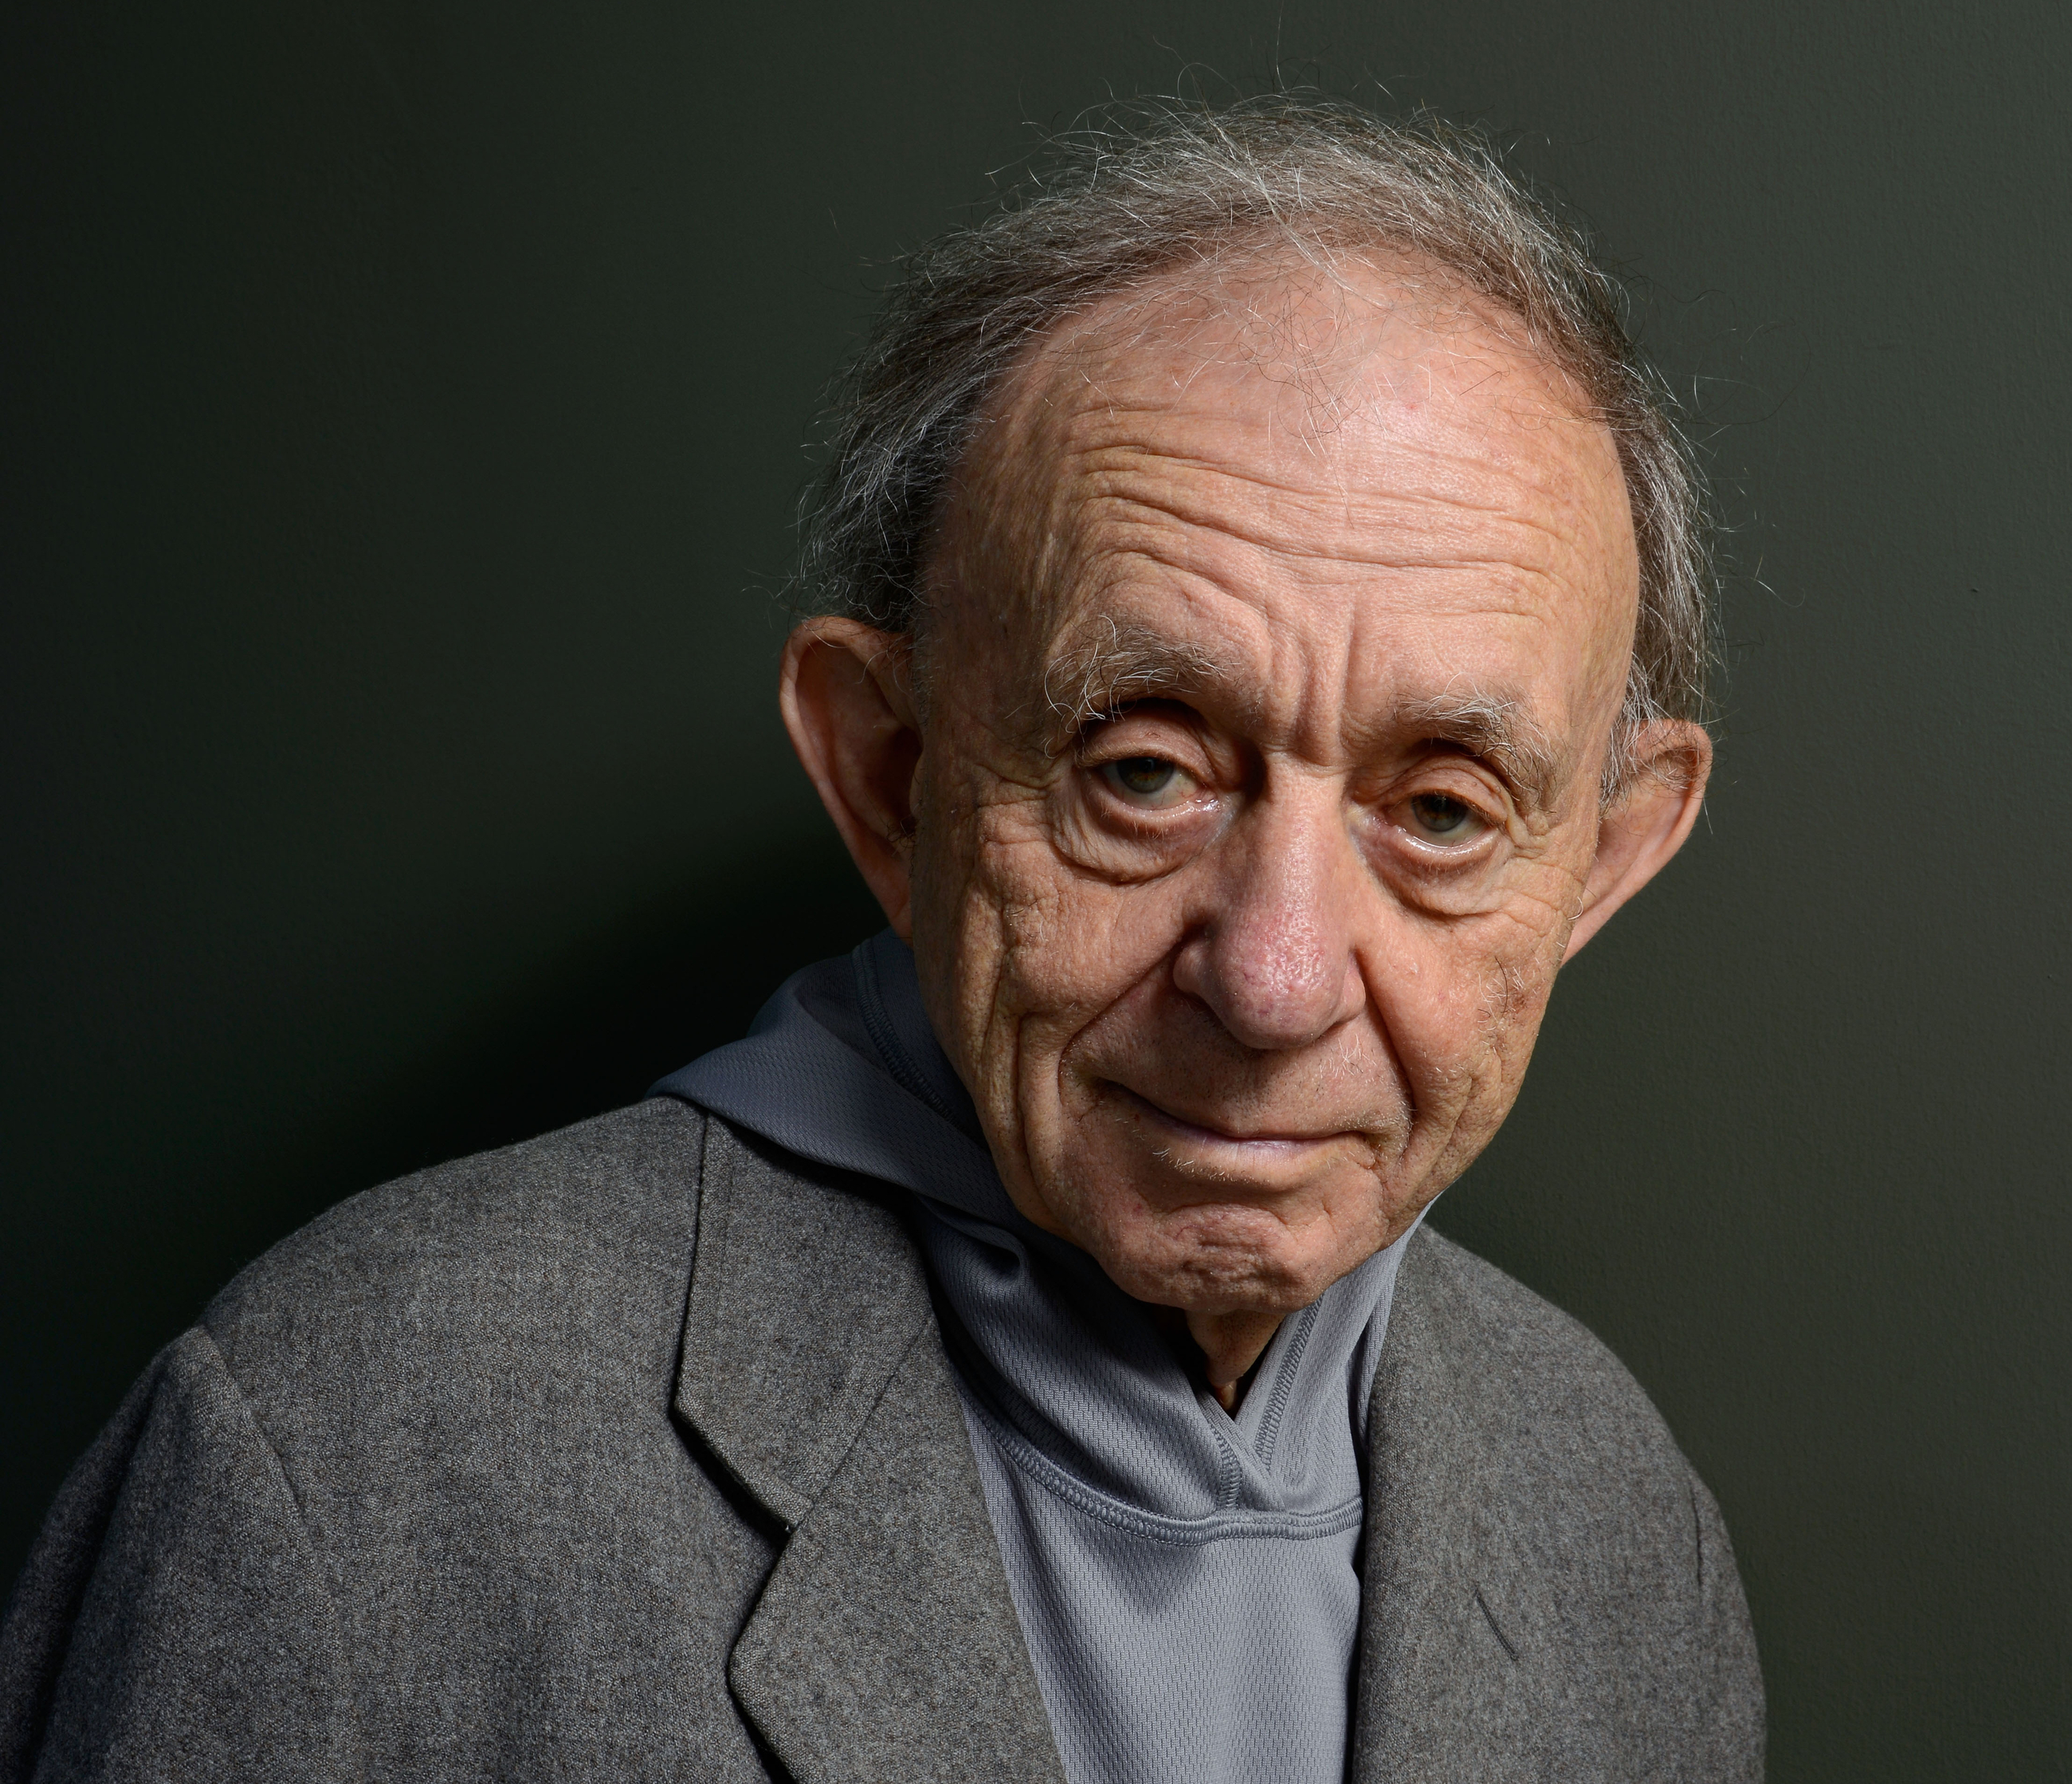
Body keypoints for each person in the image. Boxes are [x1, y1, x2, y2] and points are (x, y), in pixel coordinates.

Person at [0, 96, 1763, 1782]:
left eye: (1442, 811)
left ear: (1599, 862)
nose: (1276, 980)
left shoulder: (1609, 1504)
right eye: (1142, 770)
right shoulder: (346, 1450)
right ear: (886, 775)